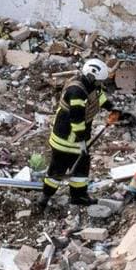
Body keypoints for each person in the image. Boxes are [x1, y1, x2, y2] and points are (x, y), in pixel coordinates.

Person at [36, 58, 112, 210]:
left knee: (81, 166)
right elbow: (76, 119)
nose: (100, 84)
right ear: (91, 77)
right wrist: (82, 141)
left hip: (76, 139)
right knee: (58, 169)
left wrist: (115, 110)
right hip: (66, 139)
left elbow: (99, 98)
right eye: (99, 81)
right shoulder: (76, 92)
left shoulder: (90, 86)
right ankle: (44, 197)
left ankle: (78, 196)